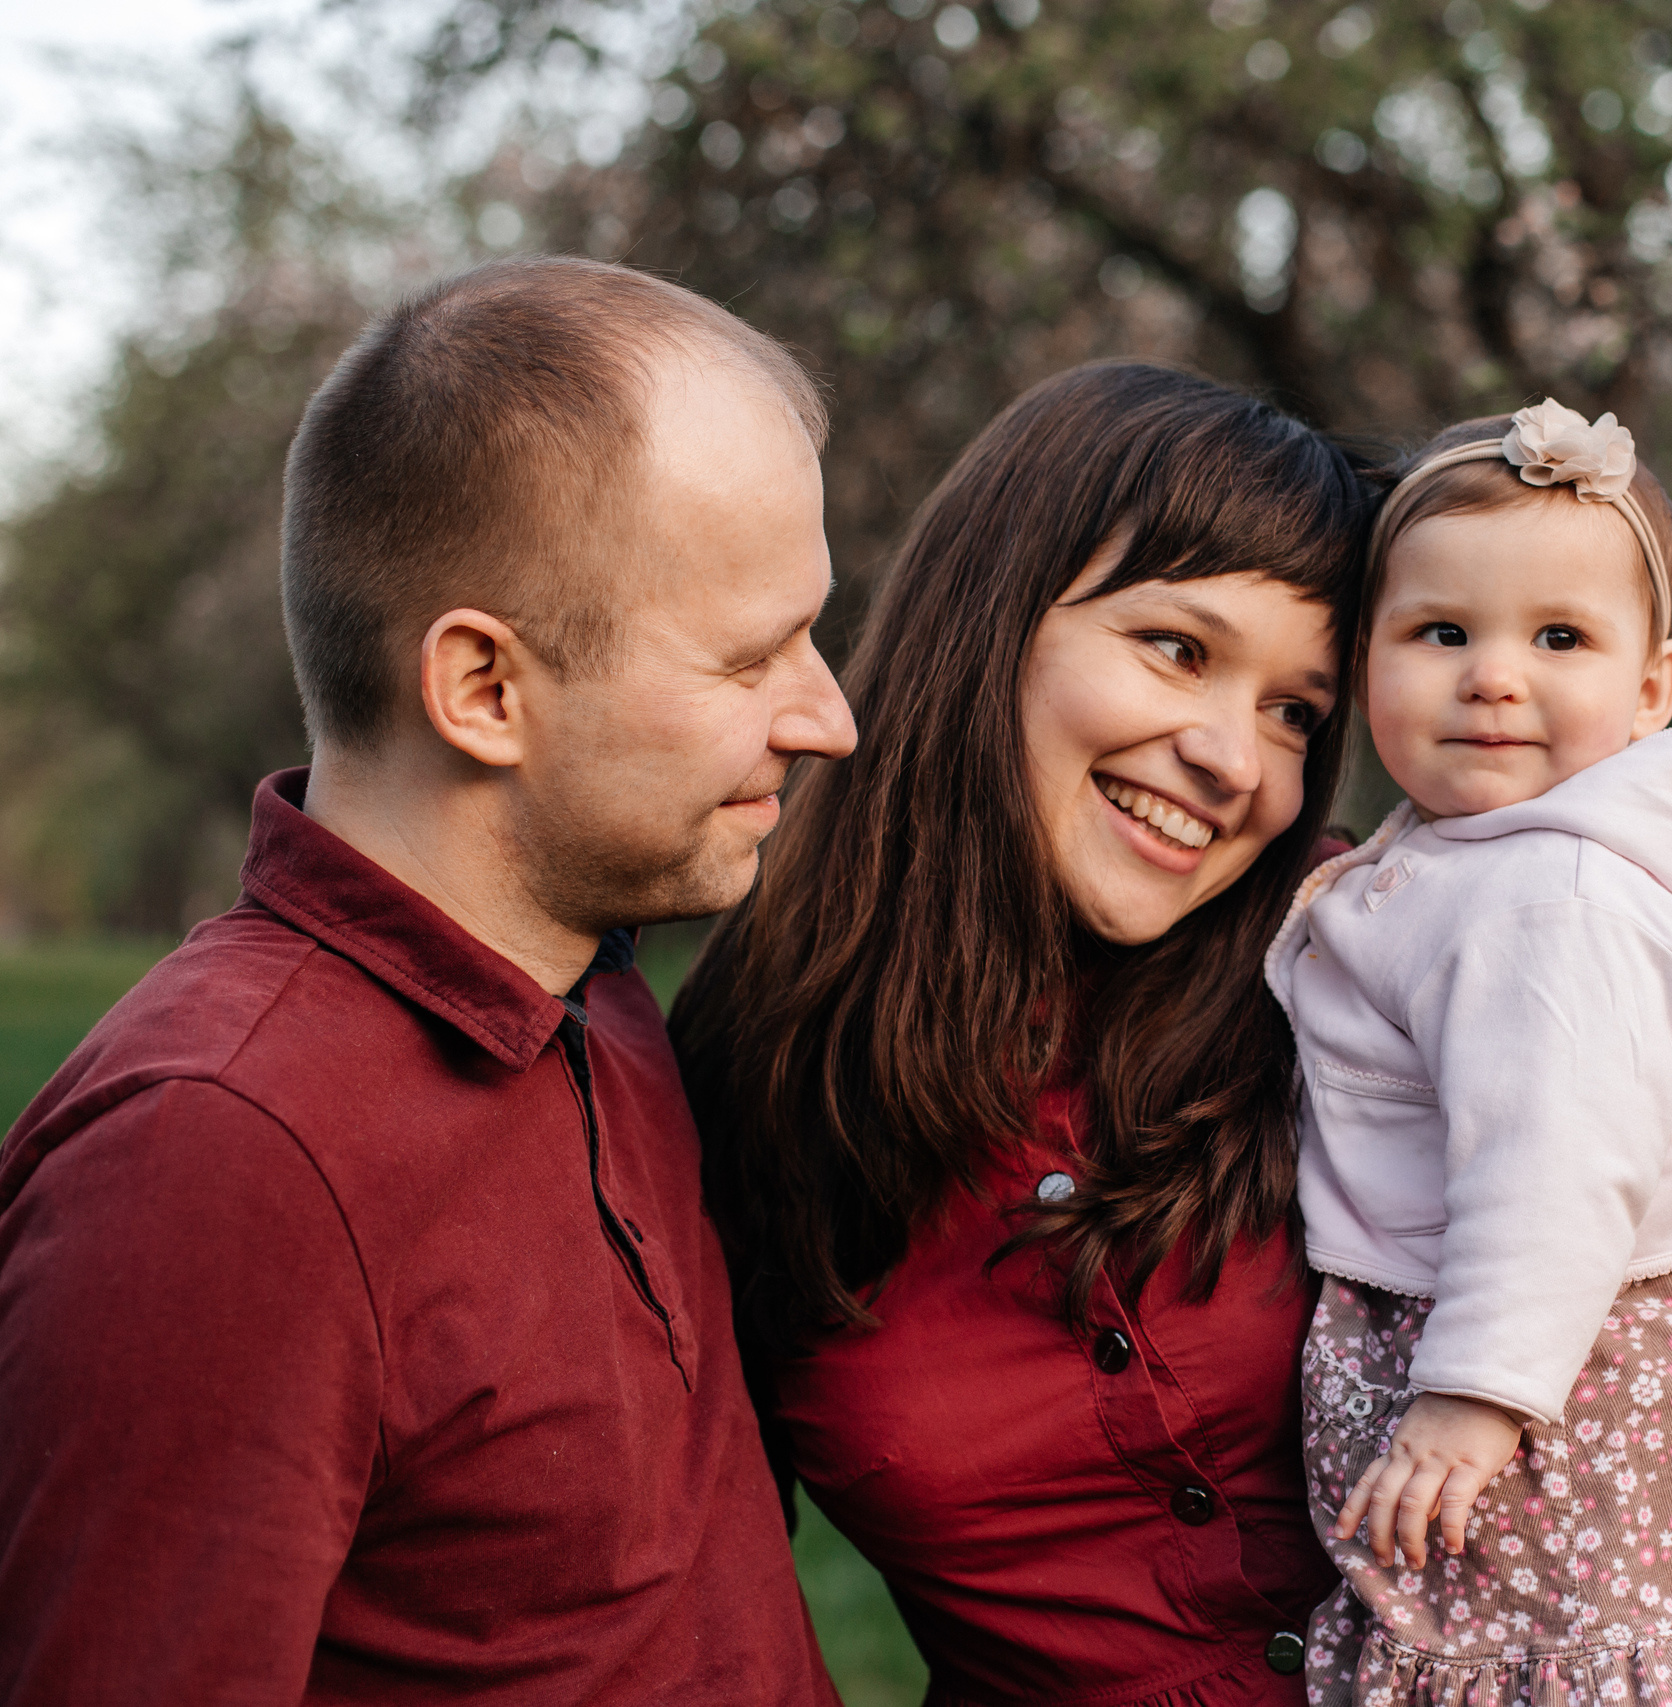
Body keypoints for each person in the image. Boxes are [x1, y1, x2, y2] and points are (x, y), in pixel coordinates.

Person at [0, 257, 857, 1703]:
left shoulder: (593, 989)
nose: (826, 716)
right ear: (487, 691)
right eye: (750, 657)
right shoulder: (216, 1161)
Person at [670, 361, 1374, 1706]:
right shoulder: (751, 1079)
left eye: (1297, 711)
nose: (1238, 760)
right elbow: (697, 1605)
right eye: (1180, 648)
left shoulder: (1361, 970)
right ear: (989, 617)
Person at [1268, 402, 1672, 1704]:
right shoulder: (1488, 856)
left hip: (1581, 1357)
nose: (1494, 676)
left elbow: (1556, 1161)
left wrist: (1475, 1396)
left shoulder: (1550, 902)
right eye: (1441, 633)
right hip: (1627, 1310)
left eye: (1558, 638)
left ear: (1652, 691)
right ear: (1367, 666)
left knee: (1571, 1660)